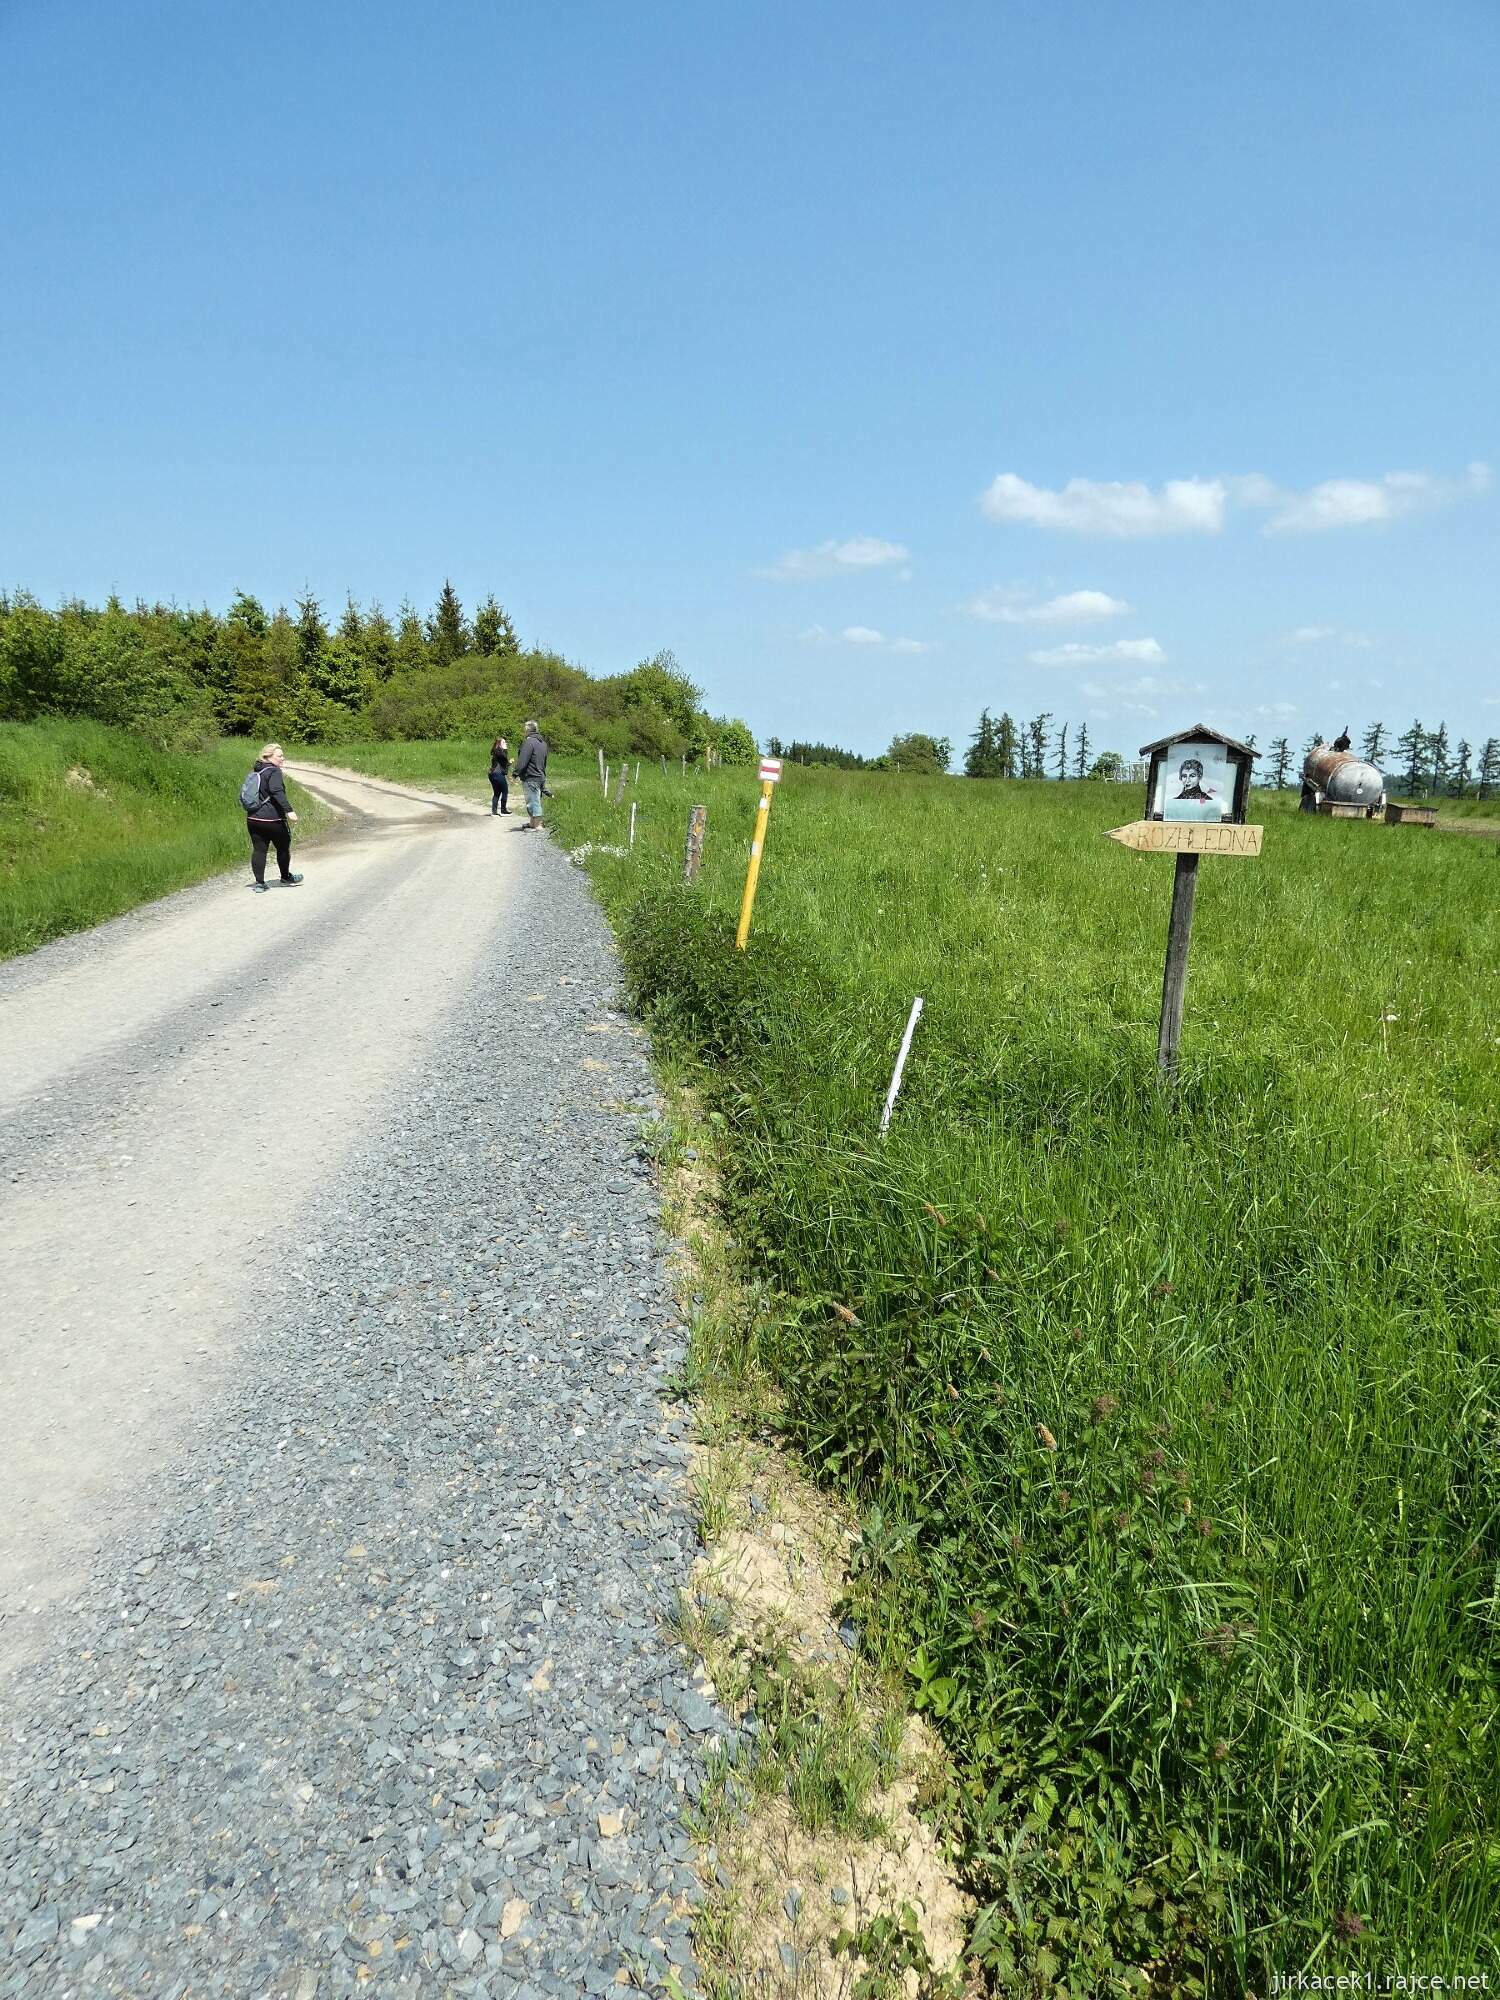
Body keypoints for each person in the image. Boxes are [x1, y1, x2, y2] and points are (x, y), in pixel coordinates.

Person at [245, 743, 304, 891]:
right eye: (279, 756)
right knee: (283, 847)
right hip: (272, 819)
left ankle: (259, 884)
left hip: (253, 818)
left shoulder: (257, 770)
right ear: (268, 757)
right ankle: (285, 877)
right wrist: (289, 810)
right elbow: (276, 790)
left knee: (259, 850)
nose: (283, 758)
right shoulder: (274, 771)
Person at [514, 719, 549, 830]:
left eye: (524, 730)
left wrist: (516, 773)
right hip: (540, 776)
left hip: (531, 776)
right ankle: (532, 823)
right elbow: (544, 761)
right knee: (535, 799)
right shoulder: (542, 743)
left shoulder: (528, 742)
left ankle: (538, 825)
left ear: (527, 730)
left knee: (533, 801)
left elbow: (523, 760)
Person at [488, 735, 511, 816]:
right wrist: (505, 749)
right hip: (497, 774)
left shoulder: (496, 751)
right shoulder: (499, 751)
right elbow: (504, 757)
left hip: (493, 774)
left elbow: (503, 762)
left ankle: (494, 812)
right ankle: (503, 810)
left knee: (497, 792)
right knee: (505, 791)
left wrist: (509, 763)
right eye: (504, 742)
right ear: (499, 744)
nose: (506, 743)